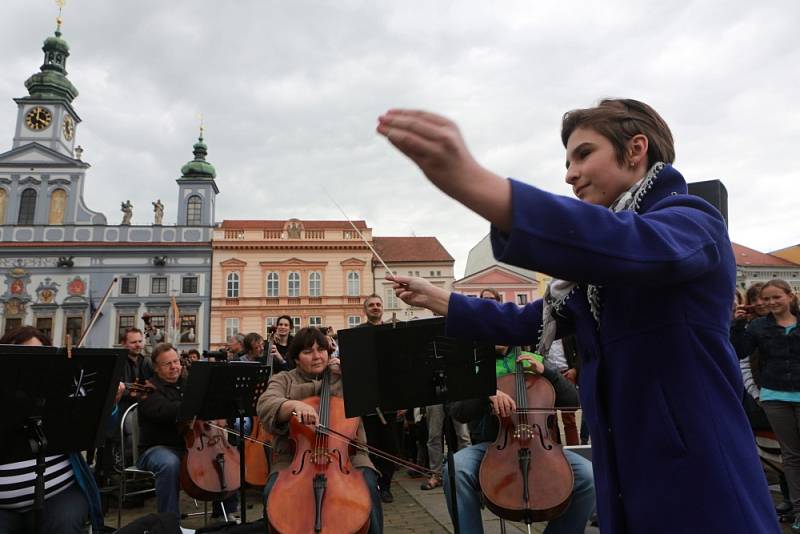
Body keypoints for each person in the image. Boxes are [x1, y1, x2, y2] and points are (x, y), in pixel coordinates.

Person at [378, 99, 778, 532]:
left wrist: (477, 183)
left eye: (583, 154)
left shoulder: (691, 220)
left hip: (696, 463)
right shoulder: (597, 270)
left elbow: (631, 244)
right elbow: (532, 321)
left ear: (636, 148)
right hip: (627, 462)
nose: (569, 173)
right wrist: (442, 300)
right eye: (567, 160)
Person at [445, 349, 595, 533]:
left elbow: (573, 401)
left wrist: (547, 372)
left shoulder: (535, 359)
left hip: (541, 446)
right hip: (495, 447)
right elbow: (458, 412)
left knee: (589, 477)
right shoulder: (477, 366)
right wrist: (486, 392)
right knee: (456, 470)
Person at [256, 327, 383, 533]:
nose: (316, 356)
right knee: (272, 492)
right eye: (308, 352)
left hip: (349, 459)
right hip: (292, 460)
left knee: (368, 487)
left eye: (321, 350)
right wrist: (293, 406)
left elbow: (375, 401)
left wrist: (351, 374)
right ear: (296, 359)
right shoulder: (284, 379)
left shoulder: (343, 375)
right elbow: (266, 403)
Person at [0, 326, 105, 534]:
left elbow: (96, 429)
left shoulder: (60, 391)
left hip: (59, 494)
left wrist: (107, 402)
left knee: (64, 525)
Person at [732, 279, 800, 530]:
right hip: (775, 397)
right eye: (766, 299)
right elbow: (740, 352)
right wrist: (738, 325)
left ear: (789, 296)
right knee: (790, 457)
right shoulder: (758, 326)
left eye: (776, 297)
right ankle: (797, 509)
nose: (770, 303)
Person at [358, 294, 402, 503]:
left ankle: (385, 486)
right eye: (371, 305)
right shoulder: (357, 333)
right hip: (366, 399)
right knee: (370, 444)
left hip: (390, 399)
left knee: (389, 445)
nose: (375, 307)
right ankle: (371, 484)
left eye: (378, 304)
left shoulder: (392, 332)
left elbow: (401, 367)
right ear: (365, 310)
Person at [136, 342, 186, 519]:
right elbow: (165, 412)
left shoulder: (189, 384)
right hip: (156, 449)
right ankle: (169, 523)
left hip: (190, 446)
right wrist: (196, 402)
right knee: (169, 463)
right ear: (156, 368)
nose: (174, 367)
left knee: (222, 456)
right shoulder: (147, 389)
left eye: (176, 361)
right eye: (168, 364)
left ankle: (227, 513)